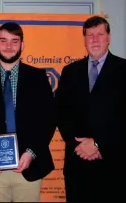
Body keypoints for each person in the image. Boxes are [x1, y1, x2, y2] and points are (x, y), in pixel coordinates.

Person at [0, 22, 55, 202]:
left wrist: (31, 152)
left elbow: (48, 120)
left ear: (22, 45)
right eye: (3, 40)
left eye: (14, 41)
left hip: (29, 165)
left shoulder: (38, 77)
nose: (8, 46)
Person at [55, 15, 126, 202]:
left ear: (108, 38)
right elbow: (61, 113)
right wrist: (78, 144)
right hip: (77, 164)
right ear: (84, 40)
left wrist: (97, 143)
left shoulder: (124, 69)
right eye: (90, 35)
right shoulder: (70, 72)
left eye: (99, 34)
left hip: (113, 164)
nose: (94, 40)